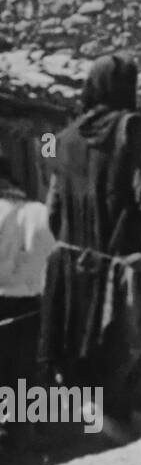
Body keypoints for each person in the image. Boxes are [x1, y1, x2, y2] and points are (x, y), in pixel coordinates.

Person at [38, 55, 141, 442]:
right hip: (123, 278)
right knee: (139, 374)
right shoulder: (129, 127)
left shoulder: (65, 137)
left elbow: (54, 216)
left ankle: (102, 444)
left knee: (94, 381)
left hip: (76, 278)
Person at [0, 150, 56, 449]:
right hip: (27, 305)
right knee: (22, 375)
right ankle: (23, 441)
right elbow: (45, 254)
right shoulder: (36, 211)